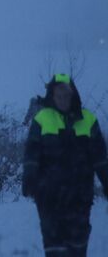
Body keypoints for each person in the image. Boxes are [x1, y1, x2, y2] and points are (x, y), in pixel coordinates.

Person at [23, 74, 108, 257]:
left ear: (73, 96)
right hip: (49, 197)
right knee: (55, 249)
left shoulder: (88, 120)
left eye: (66, 96)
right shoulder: (42, 119)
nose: (63, 100)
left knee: (77, 247)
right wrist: (29, 177)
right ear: (52, 97)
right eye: (58, 96)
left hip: (80, 196)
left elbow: (100, 158)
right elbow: (32, 153)